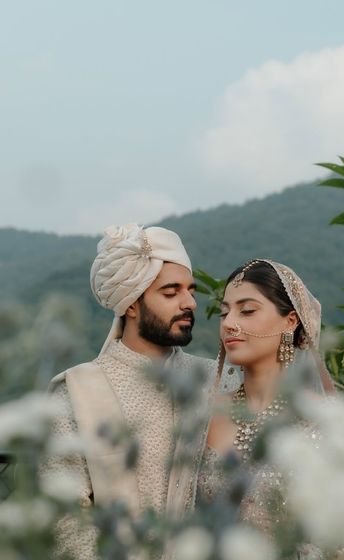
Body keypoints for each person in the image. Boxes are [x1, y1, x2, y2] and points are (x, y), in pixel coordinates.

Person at [43, 223, 237, 559]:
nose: (189, 302)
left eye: (190, 290)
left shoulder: (217, 380)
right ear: (131, 304)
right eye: (170, 291)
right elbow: (66, 517)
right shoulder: (77, 390)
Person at [196, 259, 344, 559]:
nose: (229, 322)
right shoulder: (206, 415)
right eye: (224, 312)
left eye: (247, 310)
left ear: (291, 321)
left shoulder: (322, 422)